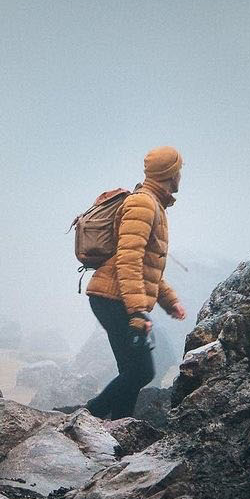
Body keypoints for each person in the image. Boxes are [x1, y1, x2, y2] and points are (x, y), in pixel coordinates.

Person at [85, 145, 186, 419]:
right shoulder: (143, 204)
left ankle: (118, 434)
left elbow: (146, 266)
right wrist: (138, 312)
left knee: (130, 371)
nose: (181, 176)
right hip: (113, 299)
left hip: (116, 297)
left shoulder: (154, 204)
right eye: (179, 170)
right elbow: (128, 261)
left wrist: (170, 301)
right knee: (142, 371)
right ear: (170, 173)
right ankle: (90, 414)